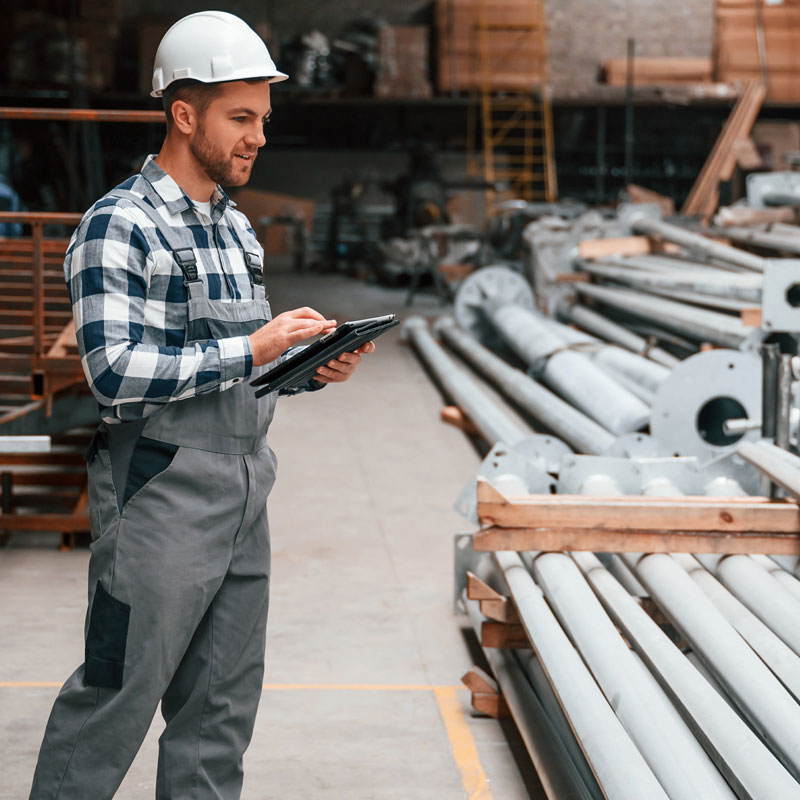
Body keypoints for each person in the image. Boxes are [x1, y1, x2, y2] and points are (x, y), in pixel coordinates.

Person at [29, 11, 374, 799]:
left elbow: (238, 377)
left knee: (219, 711)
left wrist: (310, 366)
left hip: (245, 489)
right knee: (115, 696)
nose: (258, 137)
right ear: (184, 115)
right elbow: (115, 373)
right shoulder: (121, 225)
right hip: (160, 489)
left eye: (263, 119)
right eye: (240, 118)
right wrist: (256, 346)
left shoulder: (236, 232)